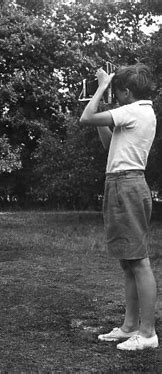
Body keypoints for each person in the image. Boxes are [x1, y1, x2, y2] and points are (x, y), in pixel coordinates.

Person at [80, 63, 158, 350]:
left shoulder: (134, 110)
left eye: (116, 91)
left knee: (138, 261)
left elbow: (86, 117)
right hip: (121, 183)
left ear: (126, 92)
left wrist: (100, 86)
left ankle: (147, 333)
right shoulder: (139, 112)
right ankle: (129, 327)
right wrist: (105, 107)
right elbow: (109, 143)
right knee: (129, 262)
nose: (114, 94)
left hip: (127, 184)